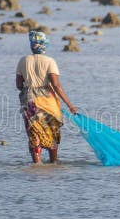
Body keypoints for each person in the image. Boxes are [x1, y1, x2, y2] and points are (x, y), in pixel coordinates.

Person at [16, 31, 77, 164]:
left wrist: (30, 87)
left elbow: (19, 85)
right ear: (44, 45)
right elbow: (56, 85)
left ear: (31, 45)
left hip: (30, 101)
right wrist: (70, 105)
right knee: (52, 133)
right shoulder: (50, 61)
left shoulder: (23, 60)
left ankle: (37, 165)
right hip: (49, 102)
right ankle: (53, 164)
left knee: (34, 133)